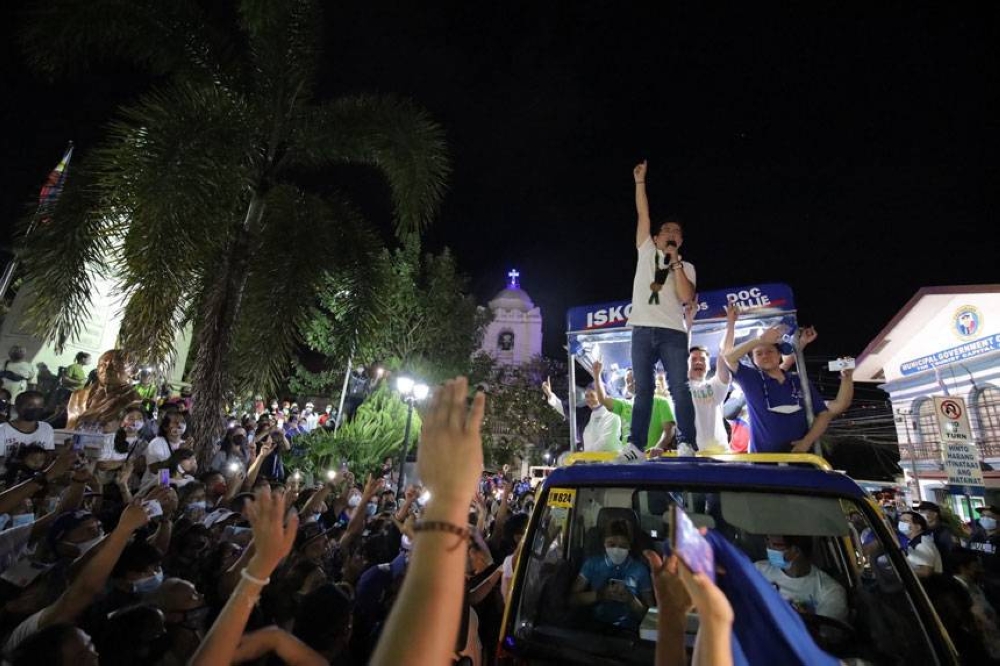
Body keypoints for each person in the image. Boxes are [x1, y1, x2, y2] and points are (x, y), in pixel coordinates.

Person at [621, 160, 697, 462]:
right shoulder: (645, 251)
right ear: (655, 237)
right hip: (641, 328)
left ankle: (687, 443)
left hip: (673, 332)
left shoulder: (686, 265)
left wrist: (675, 258)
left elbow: (686, 296)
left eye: (675, 232)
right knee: (643, 391)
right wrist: (640, 182)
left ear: (680, 241)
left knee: (680, 387)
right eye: (665, 230)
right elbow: (643, 214)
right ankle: (635, 446)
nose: (670, 233)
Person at [723, 326, 835, 453]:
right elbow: (729, 358)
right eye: (759, 353)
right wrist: (759, 339)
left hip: (800, 459)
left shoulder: (799, 381)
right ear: (753, 360)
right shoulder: (751, 380)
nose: (765, 356)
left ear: (779, 355)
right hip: (764, 463)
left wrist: (807, 442)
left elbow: (824, 414)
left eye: (770, 351)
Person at [569, 519, 655, 631]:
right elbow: (572, 599)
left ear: (630, 546)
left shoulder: (640, 570)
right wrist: (600, 595)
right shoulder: (592, 564)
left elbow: (651, 617)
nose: (616, 550)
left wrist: (631, 600)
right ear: (604, 543)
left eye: (623, 546)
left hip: (628, 632)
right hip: (596, 629)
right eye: (611, 544)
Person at [753, 534, 849, 622]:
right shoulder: (757, 571)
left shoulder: (830, 590)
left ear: (795, 551)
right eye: (767, 541)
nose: (768, 548)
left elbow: (823, 632)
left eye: (775, 545)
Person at [592, 359, 675, 454]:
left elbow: (669, 430)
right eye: (627, 381)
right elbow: (603, 399)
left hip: (651, 459)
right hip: (629, 459)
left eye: (634, 379)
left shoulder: (661, 402)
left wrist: (658, 448)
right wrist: (596, 375)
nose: (630, 383)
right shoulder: (624, 404)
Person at [0, 390, 56, 473]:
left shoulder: (46, 428)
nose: (35, 409)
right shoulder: (3, 430)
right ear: (17, 407)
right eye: (30, 406)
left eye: (39, 406)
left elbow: (48, 456)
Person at [899, 510, 943, 577]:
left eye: (905, 521)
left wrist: (901, 571)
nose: (901, 523)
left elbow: (926, 572)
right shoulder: (915, 541)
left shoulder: (922, 543)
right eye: (900, 520)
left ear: (918, 527)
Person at [917, 500, 956, 573]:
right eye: (920, 511)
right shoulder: (922, 530)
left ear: (935, 514)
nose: (921, 514)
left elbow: (950, 551)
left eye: (923, 511)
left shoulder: (944, 530)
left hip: (943, 569)